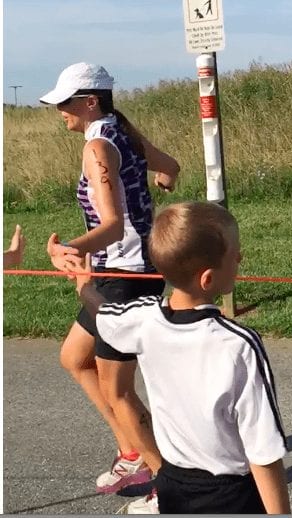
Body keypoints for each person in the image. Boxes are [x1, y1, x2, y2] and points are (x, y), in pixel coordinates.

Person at [72, 201, 291, 514]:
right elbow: (264, 450)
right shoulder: (239, 345)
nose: (240, 258)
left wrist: (84, 286)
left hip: (172, 485)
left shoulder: (143, 320)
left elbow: (105, 315)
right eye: (234, 255)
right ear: (207, 279)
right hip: (229, 494)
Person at [39, 62, 180, 494]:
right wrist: (161, 179)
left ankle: (167, 485)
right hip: (118, 274)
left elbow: (114, 226)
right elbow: (171, 166)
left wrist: (71, 250)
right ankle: (131, 452)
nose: (59, 110)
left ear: (90, 101)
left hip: (126, 277)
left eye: (65, 102)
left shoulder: (98, 147)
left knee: (119, 391)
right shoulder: (125, 133)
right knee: (74, 359)